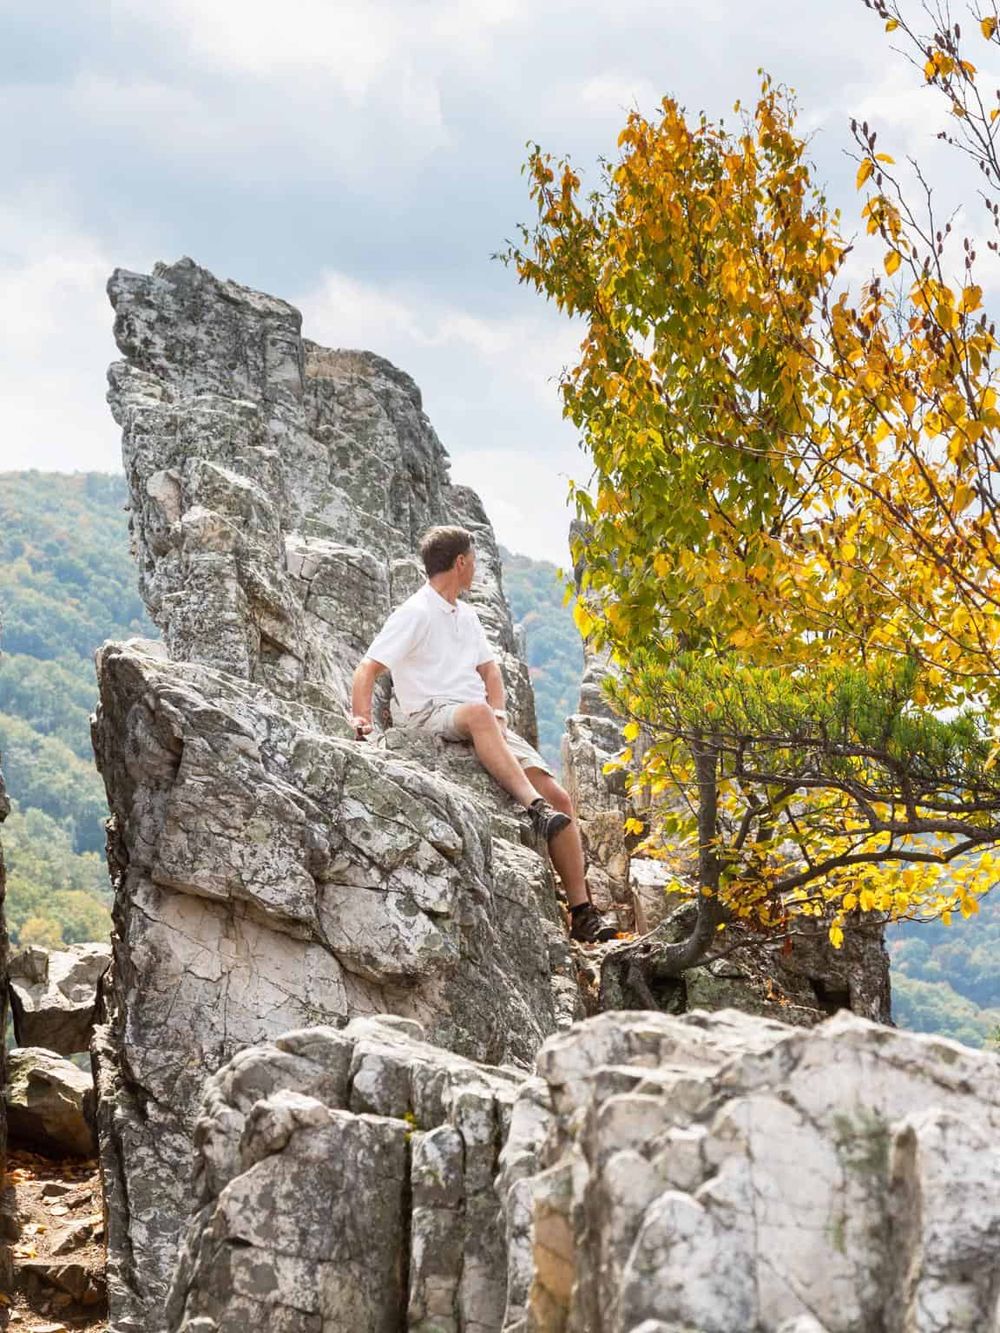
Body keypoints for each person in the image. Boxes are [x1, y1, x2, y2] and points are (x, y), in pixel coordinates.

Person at [350, 524, 617, 944]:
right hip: (430, 713)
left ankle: (582, 911)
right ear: (460, 563)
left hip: (479, 717)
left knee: (561, 798)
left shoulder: (467, 614)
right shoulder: (415, 612)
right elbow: (368, 668)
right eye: (473, 562)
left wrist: (500, 712)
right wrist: (361, 720)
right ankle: (534, 808)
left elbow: (490, 671)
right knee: (479, 717)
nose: (475, 569)